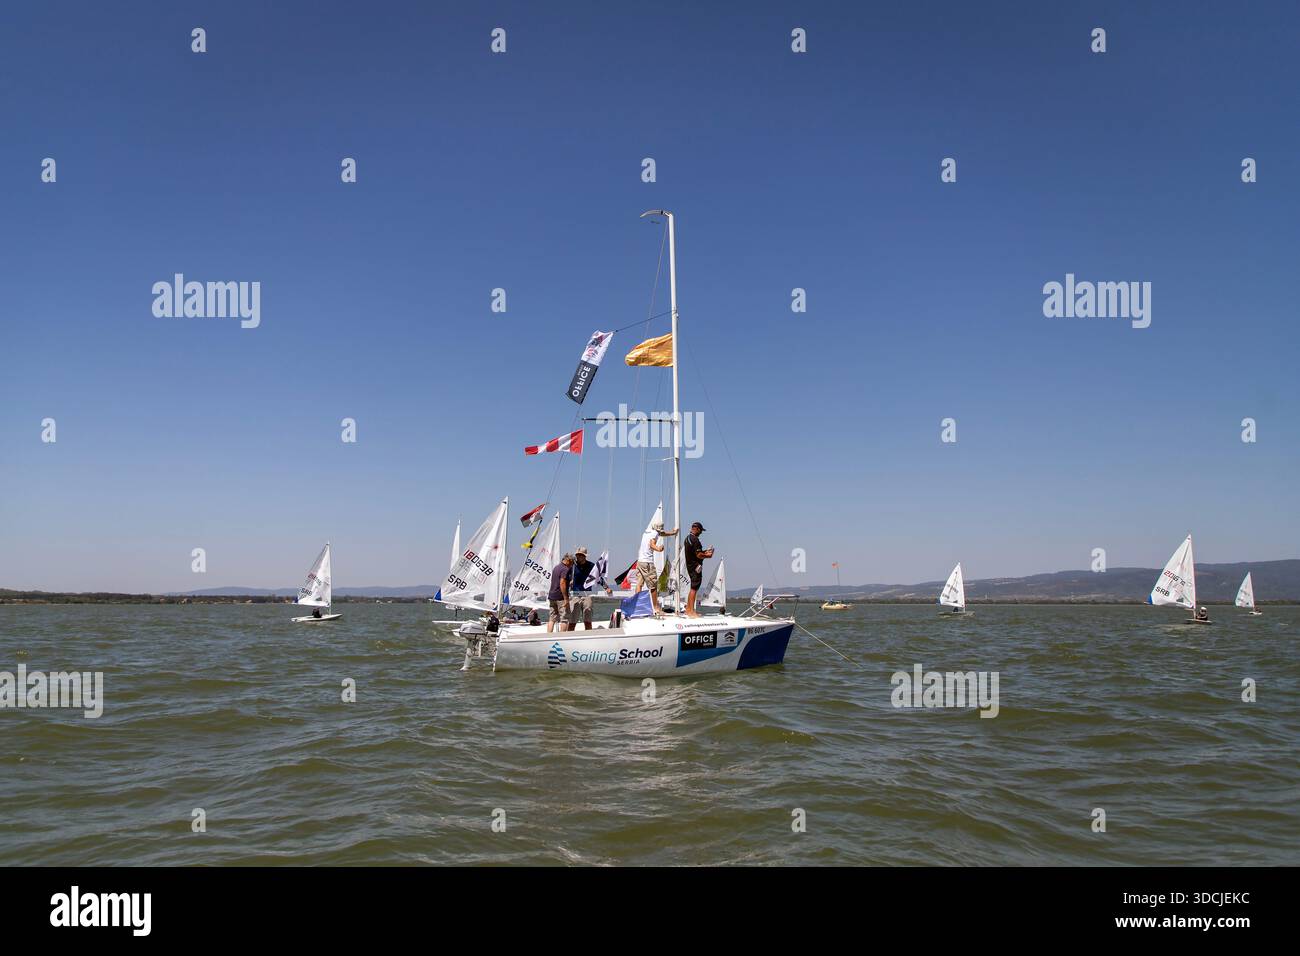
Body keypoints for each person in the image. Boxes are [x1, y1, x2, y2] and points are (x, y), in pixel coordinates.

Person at [636, 519, 678, 616]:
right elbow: (652, 544)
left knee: (639, 584)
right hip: (648, 563)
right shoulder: (654, 534)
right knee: (653, 586)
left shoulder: (647, 532)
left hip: (640, 562)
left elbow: (661, 534)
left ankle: (638, 605)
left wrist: (672, 533)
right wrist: (658, 549)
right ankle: (656, 608)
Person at [567, 547, 611, 630]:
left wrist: (606, 587)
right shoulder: (572, 566)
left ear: (585, 556)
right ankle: (569, 635)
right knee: (572, 620)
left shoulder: (591, 566)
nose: (578, 557)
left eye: (580, 555)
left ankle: (589, 635)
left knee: (588, 620)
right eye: (577, 555)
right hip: (575, 596)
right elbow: (565, 578)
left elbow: (598, 578)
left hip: (587, 595)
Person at [682, 521, 715, 617]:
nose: (701, 533)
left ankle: (688, 609)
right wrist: (708, 555)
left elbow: (696, 552)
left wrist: (705, 551)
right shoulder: (695, 540)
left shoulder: (688, 538)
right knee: (694, 588)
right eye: (700, 531)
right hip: (696, 567)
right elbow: (699, 555)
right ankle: (691, 612)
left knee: (693, 587)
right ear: (697, 529)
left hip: (690, 565)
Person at [548, 553, 573, 632]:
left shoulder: (556, 567)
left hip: (552, 596)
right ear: (568, 560)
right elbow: (562, 583)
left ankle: (549, 636)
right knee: (564, 618)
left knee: (552, 618)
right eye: (572, 563)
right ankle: (562, 637)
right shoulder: (565, 569)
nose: (572, 565)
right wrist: (566, 598)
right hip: (560, 597)